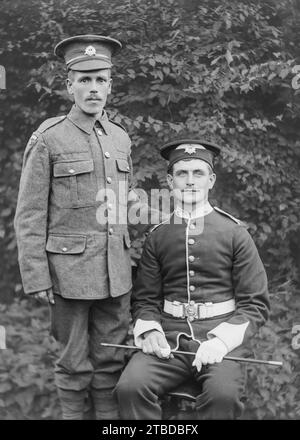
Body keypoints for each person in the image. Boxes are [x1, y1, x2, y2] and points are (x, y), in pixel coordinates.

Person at [14, 34, 136, 420]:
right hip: (66, 272)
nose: (93, 89)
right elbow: (30, 212)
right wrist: (36, 275)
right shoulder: (49, 138)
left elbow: (123, 204)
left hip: (115, 272)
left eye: (101, 80)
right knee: (72, 364)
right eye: (84, 80)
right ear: (69, 85)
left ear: (111, 85)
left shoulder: (119, 138)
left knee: (110, 362)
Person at [115, 139, 270, 419]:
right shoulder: (158, 235)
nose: (190, 181)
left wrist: (221, 342)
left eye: (198, 173)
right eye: (182, 174)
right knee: (130, 388)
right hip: (169, 341)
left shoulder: (235, 234)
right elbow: (145, 300)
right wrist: (150, 331)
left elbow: (255, 304)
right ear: (169, 181)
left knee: (223, 396)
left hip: (219, 339)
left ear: (211, 180)